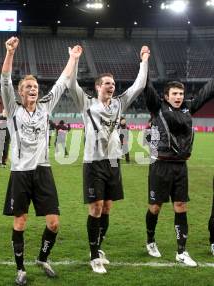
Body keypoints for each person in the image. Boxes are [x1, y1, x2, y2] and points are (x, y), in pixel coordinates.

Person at [66, 44, 149, 273]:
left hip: (113, 162)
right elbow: (71, 83)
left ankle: (99, 247)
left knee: (108, 208)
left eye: (113, 84)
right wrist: (74, 59)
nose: (111, 86)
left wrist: (143, 60)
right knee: (96, 207)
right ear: (97, 86)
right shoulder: (87, 104)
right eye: (107, 83)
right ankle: (94, 256)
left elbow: (139, 85)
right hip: (93, 162)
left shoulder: (119, 104)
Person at [1, 36, 70, 285]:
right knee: (20, 221)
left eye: (35, 87)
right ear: (20, 93)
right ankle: (20, 269)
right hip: (20, 172)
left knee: (53, 223)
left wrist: (72, 58)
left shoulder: (45, 107)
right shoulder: (13, 108)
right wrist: (10, 52)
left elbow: (62, 83)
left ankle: (42, 258)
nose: (33, 89)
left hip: (43, 171)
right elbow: (5, 79)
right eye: (28, 87)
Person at [143, 76, 214, 266]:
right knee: (155, 207)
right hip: (160, 165)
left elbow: (205, 93)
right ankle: (150, 241)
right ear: (166, 96)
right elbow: (147, 88)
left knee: (181, 206)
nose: (178, 97)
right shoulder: (157, 108)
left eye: (181, 94)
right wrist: (144, 64)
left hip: (181, 166)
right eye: (174, 94)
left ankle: (181, 252)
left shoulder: (187, 108)